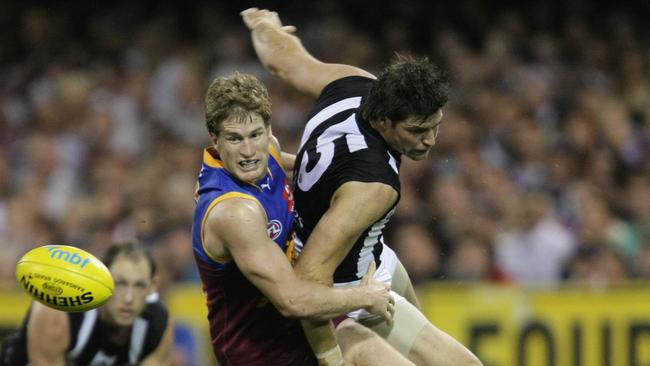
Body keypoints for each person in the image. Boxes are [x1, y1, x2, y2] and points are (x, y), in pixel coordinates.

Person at [242, 8, 483, 366]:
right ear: (385, 121)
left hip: (369, 256)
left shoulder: (354, 84)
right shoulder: (373, 186)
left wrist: (264, 26)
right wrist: (330, 359)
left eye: (436, 125)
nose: (431, 140)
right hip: (343, 295)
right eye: (418, 131)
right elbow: (310, 277)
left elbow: (284, 60)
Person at [193, 71, 414, 365]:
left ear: (268, 129)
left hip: (301, 330)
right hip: (261, 355)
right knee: (365, 346)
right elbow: (291, 300)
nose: (248, 151)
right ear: (215, 139)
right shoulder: (234, 213)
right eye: (234, 139)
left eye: (255, 135)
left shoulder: (267, 152)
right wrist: (365, 297)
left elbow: (310, 169)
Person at [0, 242, 173, 366]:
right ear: (101, 281)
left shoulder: (157, 324)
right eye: (120, 284)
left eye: (139, 285)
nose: (128, 298)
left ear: (152, 287)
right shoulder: (58, 313)